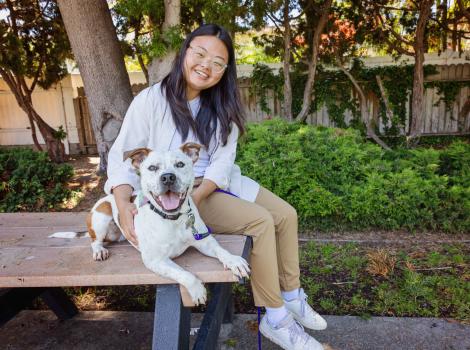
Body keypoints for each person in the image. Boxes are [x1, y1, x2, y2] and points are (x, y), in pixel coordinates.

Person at [105, 24, 327, 350]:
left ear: (225, 70)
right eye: (200, 54)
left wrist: (195, 198)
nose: (207, 66)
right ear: (185, 53)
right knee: (261, 221)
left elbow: (223, 163)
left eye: (218, 62)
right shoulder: (151, 100)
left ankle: (292, 295)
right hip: (171, 195)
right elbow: (122, 158)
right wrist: (124, 204)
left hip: (206, 188)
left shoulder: (222, 107)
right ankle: (275, 319)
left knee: (286, 214)